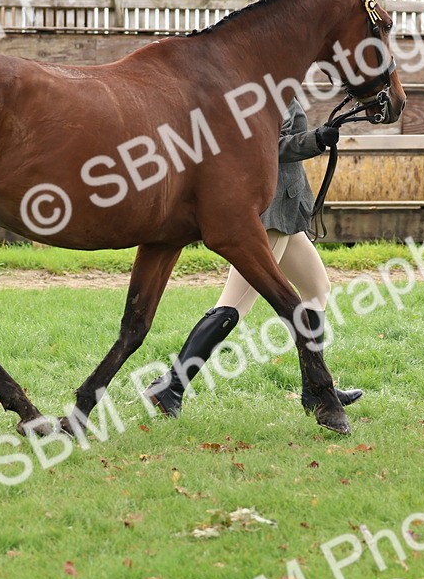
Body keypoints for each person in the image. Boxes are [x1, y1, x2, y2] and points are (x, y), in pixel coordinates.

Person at [144, 98, 363, 418]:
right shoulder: (259, 89)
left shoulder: (278, 80)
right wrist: (314, 140)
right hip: (269, 218)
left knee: (317, 288)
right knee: (234, 305)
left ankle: (316, 388)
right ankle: (172, 386)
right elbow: (264, 146)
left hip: (285, 215)